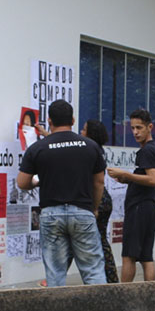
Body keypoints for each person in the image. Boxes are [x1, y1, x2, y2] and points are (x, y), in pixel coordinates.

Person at [17, 99, 106, 287]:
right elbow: (98, 182)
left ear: (49, 121)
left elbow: (23, 182)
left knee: (55, 274)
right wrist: (95, 208)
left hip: (51, 214)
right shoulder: (90, 146)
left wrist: (39, 180)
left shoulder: (38, 148)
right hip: (83, 212)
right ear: (73, 120)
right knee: (93, 271)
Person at [107, 109, 155, 282]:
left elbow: (152, 179)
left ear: (149, 127)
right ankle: (149, 297)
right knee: (146, 257)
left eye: (139, 128)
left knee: (129, 255)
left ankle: (124, 299)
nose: (135, 132)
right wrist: (126, 179)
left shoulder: (147, 151)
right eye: (133, 128)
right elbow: (145, 179)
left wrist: (127, 175)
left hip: (139, 208)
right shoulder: (150, 150)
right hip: (148, 207)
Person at [82, 119, 119, 283]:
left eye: (84, 130)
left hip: (97, 200)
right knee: (101, 240)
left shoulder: (89, 150)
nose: (81, 133)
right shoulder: (97, 149)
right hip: (104, 199)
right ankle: (111, 278)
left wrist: (95, 207)